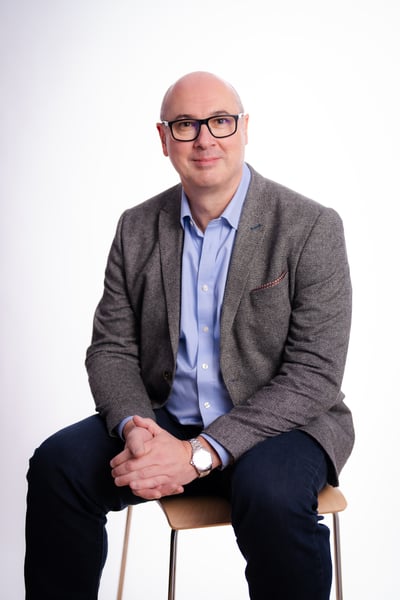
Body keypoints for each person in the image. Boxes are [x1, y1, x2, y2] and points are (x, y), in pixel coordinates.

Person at [25, 71, 354, 600]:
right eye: (185, 124)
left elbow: (315, 374)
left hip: (280, 427)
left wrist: (201, 452)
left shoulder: (310, 226)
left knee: (270, 493)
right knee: (57, 467)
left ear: (244, 128)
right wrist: (136, 430)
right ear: (163, 139)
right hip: (165, 419)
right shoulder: (137, 227)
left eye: (220, 121)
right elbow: (111, 348)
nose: (204, 139)